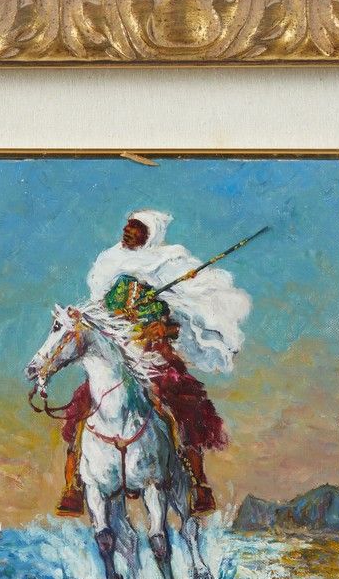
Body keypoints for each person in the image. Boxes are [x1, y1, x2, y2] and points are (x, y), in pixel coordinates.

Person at [56, 209, 251, 516]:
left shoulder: (167, 273)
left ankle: (197, 482)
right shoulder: (113, 277)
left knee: (183, 402)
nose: (127, 231)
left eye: (136, 227)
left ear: (149, 235)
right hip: (121, 360)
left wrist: (160, 329)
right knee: (83, 405)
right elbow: (100, 320)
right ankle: (74, 485)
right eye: (127, 225)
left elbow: (177, 324)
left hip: (155, 357)